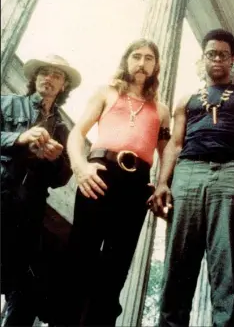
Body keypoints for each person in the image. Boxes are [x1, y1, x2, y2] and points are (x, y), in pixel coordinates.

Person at [151, 28, 234, 327]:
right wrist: (163, 182)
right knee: (178, 260)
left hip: (230, 170)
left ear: (233, 59)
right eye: (211, 54)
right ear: (203, 58)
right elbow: (175, 145)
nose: (217, 59)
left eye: (223, 54)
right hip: (188, 171)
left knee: (225, 260)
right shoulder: (185, 99)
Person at [61, 39, 170, 326]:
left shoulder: (162, 110)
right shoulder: (106, 93)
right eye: (136, 56)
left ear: (156, 66)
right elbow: (77, 132)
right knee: (80, 254)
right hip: (99, 174)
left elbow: (168, 151)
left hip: (136, 186)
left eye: (149, 58)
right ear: (126, 61)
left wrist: (162, 184)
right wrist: (80, 166)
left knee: (117, 263)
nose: (142, 62)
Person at [1, 54, 81, 326]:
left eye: (56, 75)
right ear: (35, 78)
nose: (49, 78)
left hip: (30, 210)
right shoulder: (8, 103)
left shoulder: (62, 129)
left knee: (24, 288)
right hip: (2, 195)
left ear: (63, 86)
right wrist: (19, 138)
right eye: (44, 72)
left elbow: (62, 178)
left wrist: (56, 159)